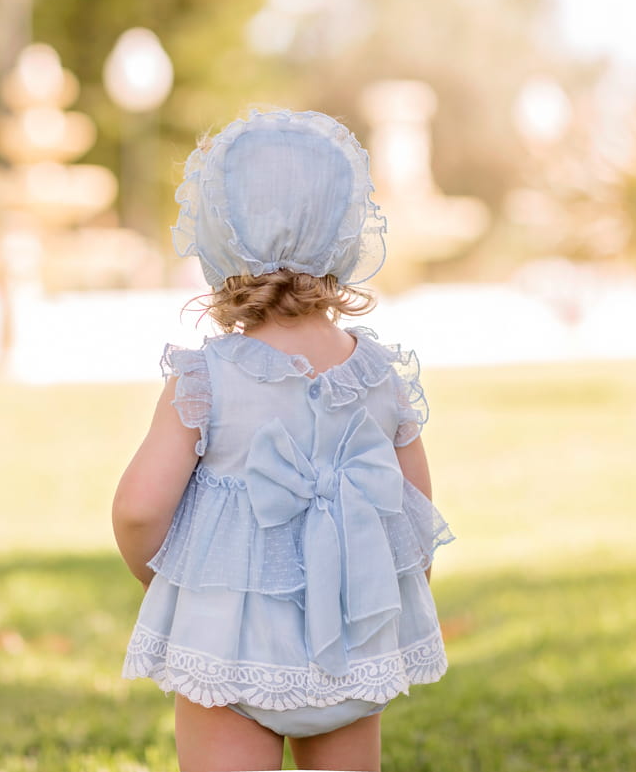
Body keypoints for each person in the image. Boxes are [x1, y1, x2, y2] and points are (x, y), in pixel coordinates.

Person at [112, 109, 453, 772]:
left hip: (227, 645)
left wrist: (166, 579)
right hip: (351, 639)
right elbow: (414, 518)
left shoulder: (207, 378)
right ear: (343, 232)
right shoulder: (380, 375)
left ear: (221, 234)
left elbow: (138, 508)